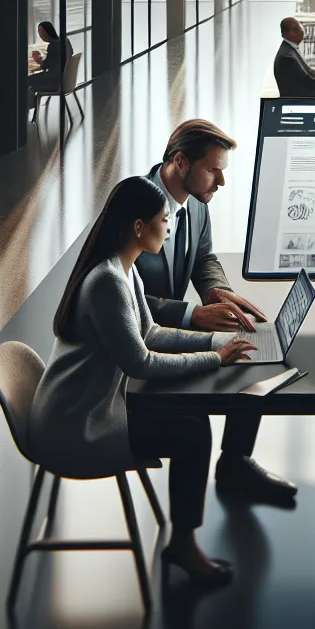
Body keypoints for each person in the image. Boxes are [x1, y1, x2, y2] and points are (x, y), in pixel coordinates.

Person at [30, 176, 255, 589]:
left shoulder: (123, 269)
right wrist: (214, 359)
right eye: (163, 219)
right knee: (192, 432)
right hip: (78, 424)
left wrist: (216, 341)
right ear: (138, 227)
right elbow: (140, 360)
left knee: (189, 421)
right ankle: (184, 546)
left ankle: (183, 538)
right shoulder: (108, 281)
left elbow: (150, 334)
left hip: (84, 405)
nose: (169, 227)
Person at [136, 119, 299, 505]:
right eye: (213, 171)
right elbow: (128, 298)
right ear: (180, 161)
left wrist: (218, 292)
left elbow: (204, 257)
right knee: (215, 392)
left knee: (252, 351)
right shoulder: (133, 208)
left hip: (170, 330)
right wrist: (192, 314)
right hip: (140, 341)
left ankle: (235, 461)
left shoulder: (195, 204)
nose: (220, 183)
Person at [273, 17, 315, 97]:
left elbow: (310, 73)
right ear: (291, 32)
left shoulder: (290, 49)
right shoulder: (287, 57)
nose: (303, 31)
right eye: (299, 28)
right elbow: (311, 83)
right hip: (298, 101)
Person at [27, 20, 71, 100]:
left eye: (42, 33)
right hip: (63, 78)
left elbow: (46, 65)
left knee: (27, 80)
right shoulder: (64, 41)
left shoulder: (53, 46)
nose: (40, 35)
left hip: (54, 81)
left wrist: (38, 60)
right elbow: (53, 62)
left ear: (48, 31)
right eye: (39, 33)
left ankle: (29, 106)